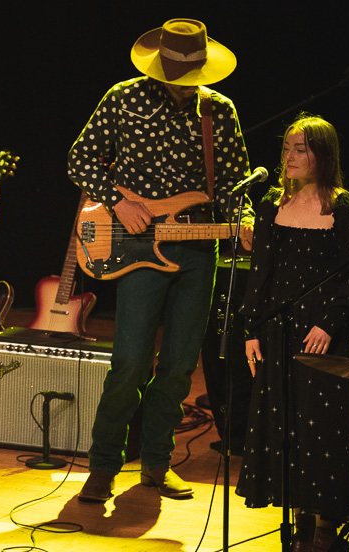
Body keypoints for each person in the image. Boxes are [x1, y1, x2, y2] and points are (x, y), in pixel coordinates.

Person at [67, 18, 254, 501]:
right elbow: (81, 159)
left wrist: (246, 220)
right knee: (130, 362)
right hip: (137, 249)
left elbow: (233, 184)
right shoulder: (125, 97)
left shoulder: (218, 110)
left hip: (197, 250)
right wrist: (118, 201)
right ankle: (104, 465)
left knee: (178, 365)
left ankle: (156, 461)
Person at [237, 115, 349, 552]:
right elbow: (261, 274)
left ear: (322, 155)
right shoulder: (272, 204)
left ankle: (325, 527)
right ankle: (298, 519)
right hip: (277, 329)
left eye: (301, 149)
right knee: (284, 423)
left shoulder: (345, 208)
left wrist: (329, 324)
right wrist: (251, 328)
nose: (290, 157)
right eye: (288, 148)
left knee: (321, 429)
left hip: (320, 334)